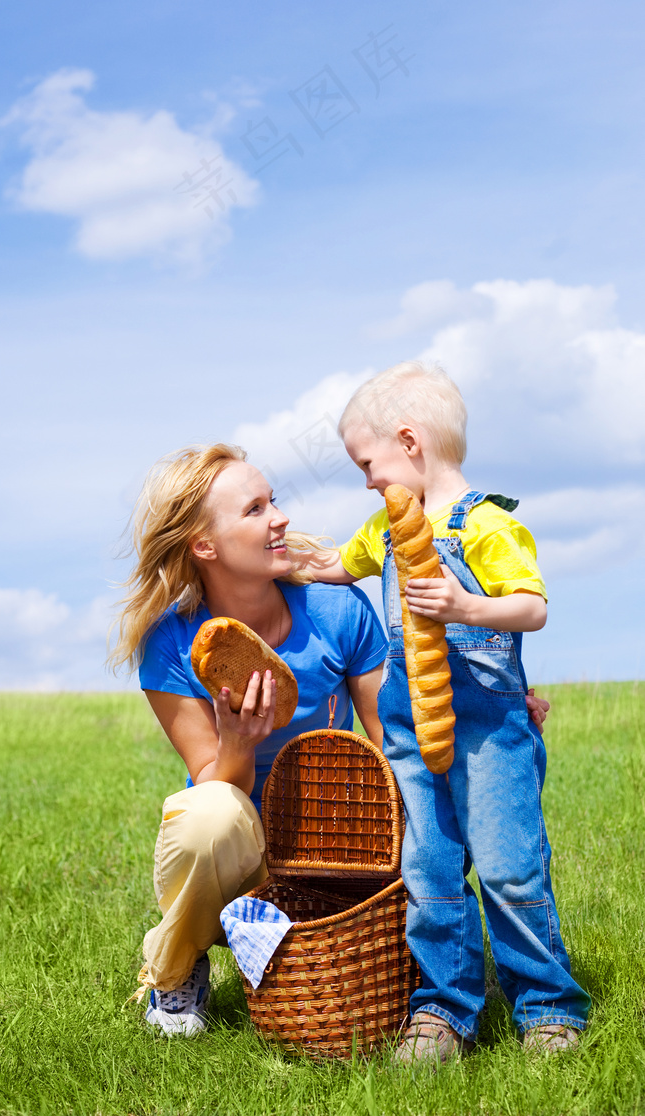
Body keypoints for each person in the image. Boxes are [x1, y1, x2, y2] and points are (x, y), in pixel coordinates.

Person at [307, 360, 590, 1063]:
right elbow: (337, 565)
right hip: (410, 733)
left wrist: (466, 607)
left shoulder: (486, 526)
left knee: (508, 869)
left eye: (367, 463)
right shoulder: (384, 530)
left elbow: (532, 607)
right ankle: (443, 1008)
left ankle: (548, 1005)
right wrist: (285, 562)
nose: (368, 481)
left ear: (409, 441)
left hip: (490, 734)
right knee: (429, 869)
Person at [110, 444, 389, 1036]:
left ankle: (442, 967)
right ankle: (176, 969)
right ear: (205, 546)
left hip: (335, 835)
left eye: (275, 501)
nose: (280, 518)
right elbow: (214, 778)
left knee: (432, 800)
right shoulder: (170, 644)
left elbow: (393, 745)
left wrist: (487, 712)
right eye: (255, 509)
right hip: (243, 851)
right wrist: (237, 739)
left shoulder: (339, 611)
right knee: (207, 815)